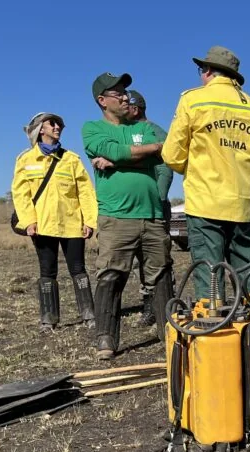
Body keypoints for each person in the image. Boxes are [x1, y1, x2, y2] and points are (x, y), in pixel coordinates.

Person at [162, 46, 250, 301]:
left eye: (202, 70)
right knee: (247, 273)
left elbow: (172, 155)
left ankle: (216, 332)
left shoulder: (193, 99)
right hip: (243, 205)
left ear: (209, 71)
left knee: (210, 275)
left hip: (206, 203)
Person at [82, 73, 174, 360]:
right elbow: (113, 149)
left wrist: (121, 158)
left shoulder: (142, 127)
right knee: (111, 274)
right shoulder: (92, 128)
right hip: (116, 216)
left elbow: (165, 152)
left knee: (160, 274)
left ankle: (168, 332)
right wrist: (129, 153)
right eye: (117, 93)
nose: (124, 97)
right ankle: (106, 339)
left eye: (126, 92)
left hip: (152, 215)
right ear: (102, 100)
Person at [11, 112, 98, 333]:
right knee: (47, 271)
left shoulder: (71, 159)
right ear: (41, 129)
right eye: (52, 123)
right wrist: (29, 221)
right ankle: (48, 320)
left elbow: (85, 192)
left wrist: (89, 220)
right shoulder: (25, 160)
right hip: (42, 226)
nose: (57, 126)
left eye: (59, 123)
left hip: (72, 225)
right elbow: (20, 195)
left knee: (78, 269)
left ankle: (89, 315)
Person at [127, 89, 173, 327]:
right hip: (131, 209)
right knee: (138, 258)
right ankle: (148, 305)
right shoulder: (125, 133)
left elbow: (166, 167)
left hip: (154, 206)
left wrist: (158, 196)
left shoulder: (155, 132)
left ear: (136, 108)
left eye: (127, 106)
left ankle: (164, 304)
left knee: (158, 257)